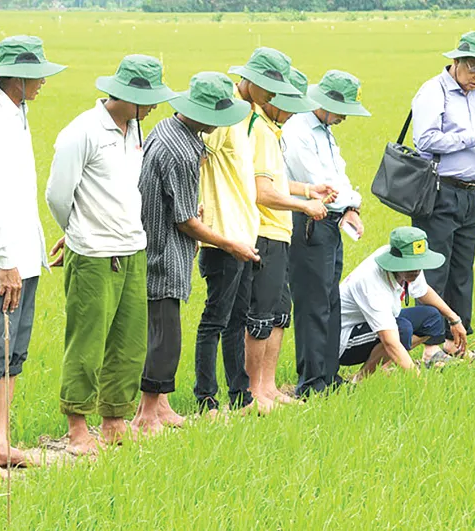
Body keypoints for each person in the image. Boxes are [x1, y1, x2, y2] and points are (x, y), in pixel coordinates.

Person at [45, 55, 171, 455]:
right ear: (126, 95)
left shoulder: (135, 130)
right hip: (94, 253)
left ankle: (115, 421)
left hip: (133, 248)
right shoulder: (82, 131)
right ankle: (77, 429)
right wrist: (76, 232)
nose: (154, 106)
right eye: (148, 99)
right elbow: (57, 195)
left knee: (129, 343)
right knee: (87, 343)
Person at [0, 35, 65, 476]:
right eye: (37, 75)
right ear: (17, 78)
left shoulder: (17, 114)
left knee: (12, 352)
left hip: (20, 255)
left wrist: (28, 254)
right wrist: (5, 260)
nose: (43, 82)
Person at [131, 71, 253, 432]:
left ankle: (162, 407)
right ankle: (145, 415)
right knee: (165, 338)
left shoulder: (166, 130)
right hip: (164, 254)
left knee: (161, 333)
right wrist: (229, 243)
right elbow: (184, 221)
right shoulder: (183, 151)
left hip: (154, 244)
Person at [193, 47, 298, 414]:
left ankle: (241, 396)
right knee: (215, 320)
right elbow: (198, 155)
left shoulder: (249, 116)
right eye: (268, 87)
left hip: (244, 232)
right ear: (250, 79)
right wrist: (196, 208)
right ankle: (206, 399)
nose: (272, 96)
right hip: (221, 234)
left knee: (236, 320)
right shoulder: (225, 114)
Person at [410, 31, 475, 363]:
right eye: (473, 68)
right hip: (439, 192)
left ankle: (456, 343)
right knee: (434, 269)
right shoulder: (433, 92)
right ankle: (430, 347)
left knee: (462, 271)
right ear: (455, 61)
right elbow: (425, 140)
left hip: (470, 194)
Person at [246, 67, 336, 412]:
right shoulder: (258, 129)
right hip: (264, 230)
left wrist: (308, 189)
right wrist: (304, 205)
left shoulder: (274, 129)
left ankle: (268, 387)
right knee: (261, 316)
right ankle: (254, 389)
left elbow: (277, 182)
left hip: (281, 231)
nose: (294, 114)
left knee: (280, 313)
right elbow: (262, 191)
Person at [282, 69, 371, 397]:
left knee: (331, 300)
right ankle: (311, 382)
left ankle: (328, 376)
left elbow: (340, 176)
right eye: (343, 110)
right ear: (327, 102)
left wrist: (351, 207)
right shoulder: (298, 129)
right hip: (309, 223)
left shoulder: (325, 130)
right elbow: (320, 184)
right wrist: (349, 200)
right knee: (312, 303)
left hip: (332, 223)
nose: (345, 117)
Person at [339, 227, 467, 382]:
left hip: (369, 322)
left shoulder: (409, 264)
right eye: (409, 265)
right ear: (395, 261)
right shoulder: (371, 283)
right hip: (343, 340)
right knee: (401, 330)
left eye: (419, 264)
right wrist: (420, 383)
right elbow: (390, 341)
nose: (416, 271)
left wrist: (454, 319)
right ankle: (359, 380)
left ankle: (382, 363)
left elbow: (423, 291)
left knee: (432, 318)